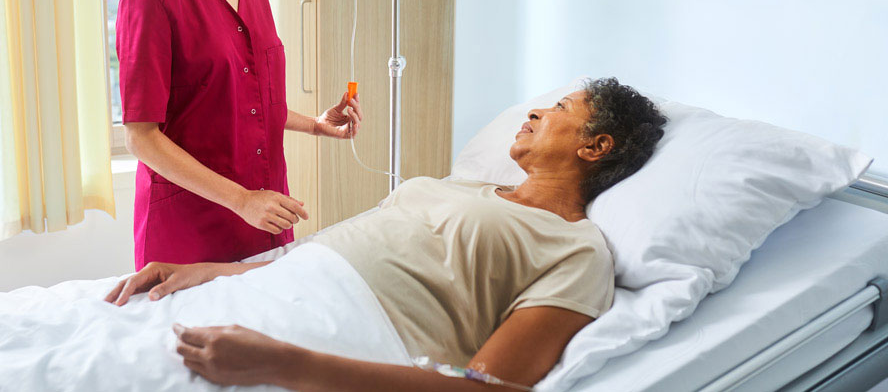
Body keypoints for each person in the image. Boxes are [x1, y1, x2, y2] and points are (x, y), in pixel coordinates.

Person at [106, 78, 668, 390]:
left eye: (561, 107)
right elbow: (337, 250)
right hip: (270, 290)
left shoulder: (576, 249)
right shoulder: (462, 189)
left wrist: (282, 363)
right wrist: (221, 271)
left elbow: (487, 389)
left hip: (326, 336)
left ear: (595, 147)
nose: (536, 111)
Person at [115, 0, 363, 270]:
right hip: (191, 230)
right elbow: (142, 137)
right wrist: (241, 200)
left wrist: (316, 125)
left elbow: (244, 100)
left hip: (264, 217)